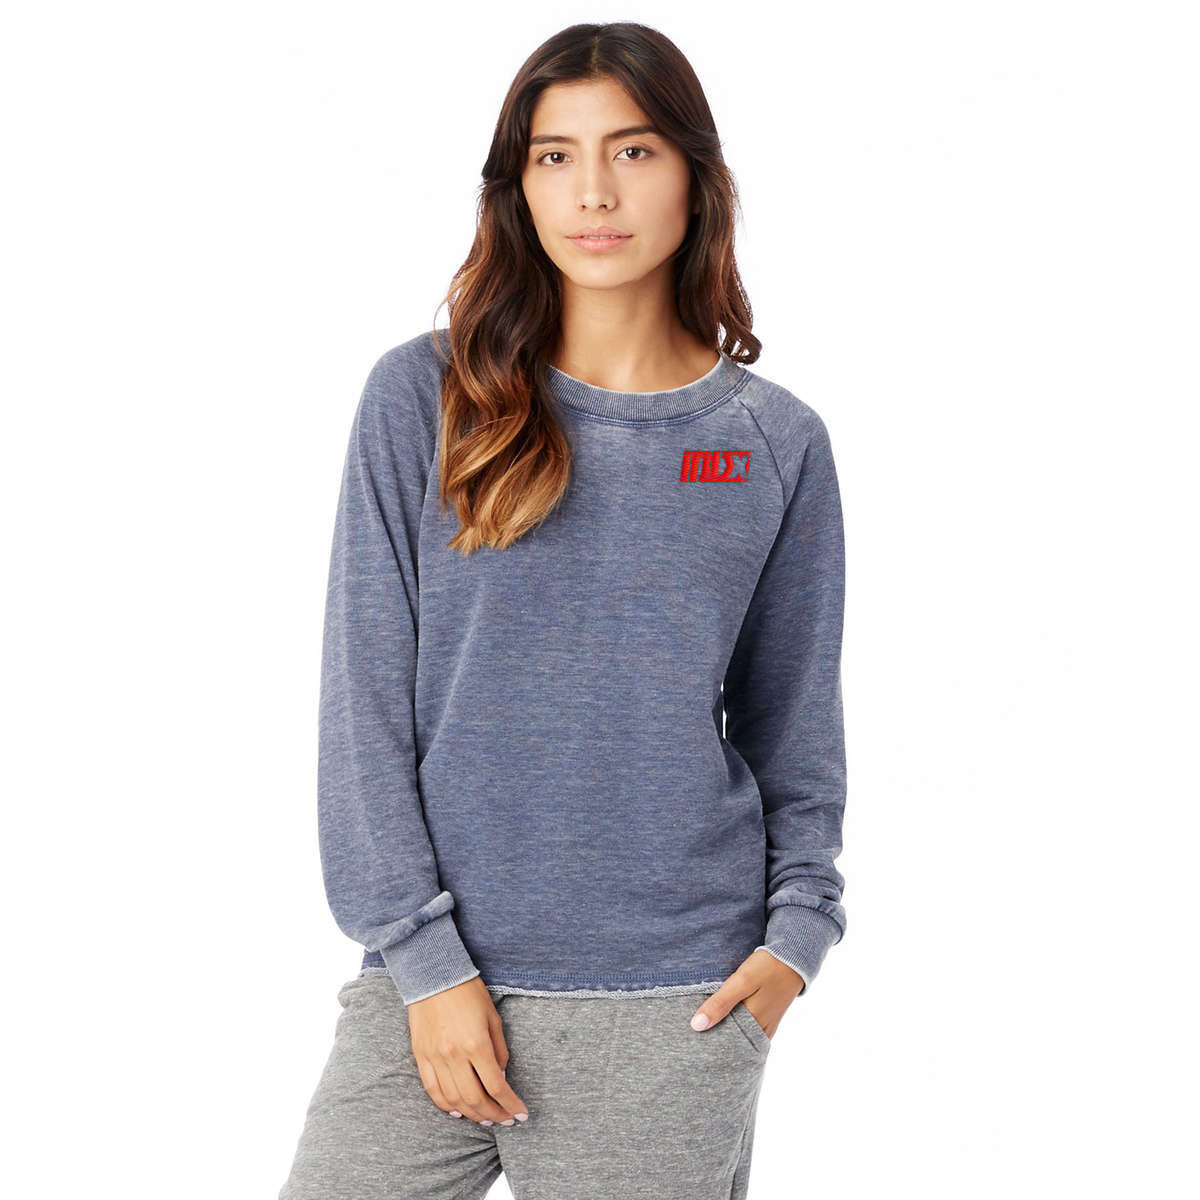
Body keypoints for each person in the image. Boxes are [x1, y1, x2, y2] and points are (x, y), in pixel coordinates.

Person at [278, 20, 848, 1200]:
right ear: (519, 185)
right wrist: (425, 963)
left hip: (674, 1004)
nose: (594, 191)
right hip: (425, 987)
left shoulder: (771, 443)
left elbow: (793, 726)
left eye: (633, 151)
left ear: (695, 173)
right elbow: (362, 703)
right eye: (555, 155)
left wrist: (797, 941)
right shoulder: (426, 398)